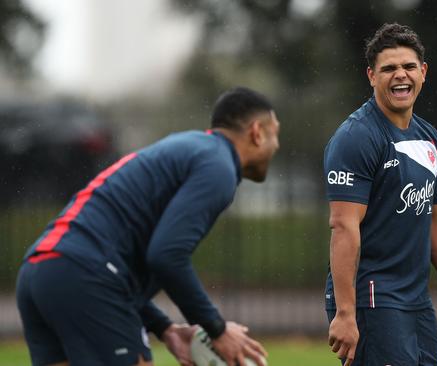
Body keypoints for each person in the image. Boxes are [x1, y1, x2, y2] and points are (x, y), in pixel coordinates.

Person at [16, 87, 279, 366]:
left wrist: (164, 328)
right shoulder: (219, 167)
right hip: (85, 274)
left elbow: (126, 257)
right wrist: (217, 328)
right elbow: (166, 255)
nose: (277, 145)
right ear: (257, 132)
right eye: (276, 133)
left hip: (40, 271)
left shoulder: (190, 148)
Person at [323, 23, 437, 366]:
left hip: (415, 298)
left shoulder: (428, 137)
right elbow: (343, 228)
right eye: (388, 68)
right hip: (372, 297)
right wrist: (345, 312)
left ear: (423, 72)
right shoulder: (356, 138)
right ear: (372, 76)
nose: (400, 75)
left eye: (408, 67)